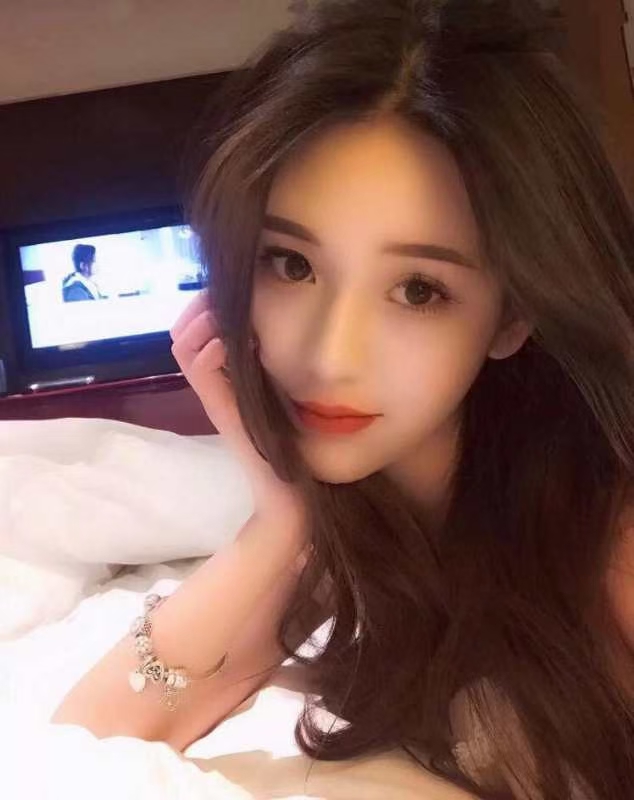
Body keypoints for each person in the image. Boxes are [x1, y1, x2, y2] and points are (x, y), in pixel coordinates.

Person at [51, 0, 634, 797]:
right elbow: (91, 737)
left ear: (512, 316)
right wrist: (276, 522)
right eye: (291, 264)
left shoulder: (606, 545)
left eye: (419, 289)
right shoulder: (356, 526)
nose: (329, 357)